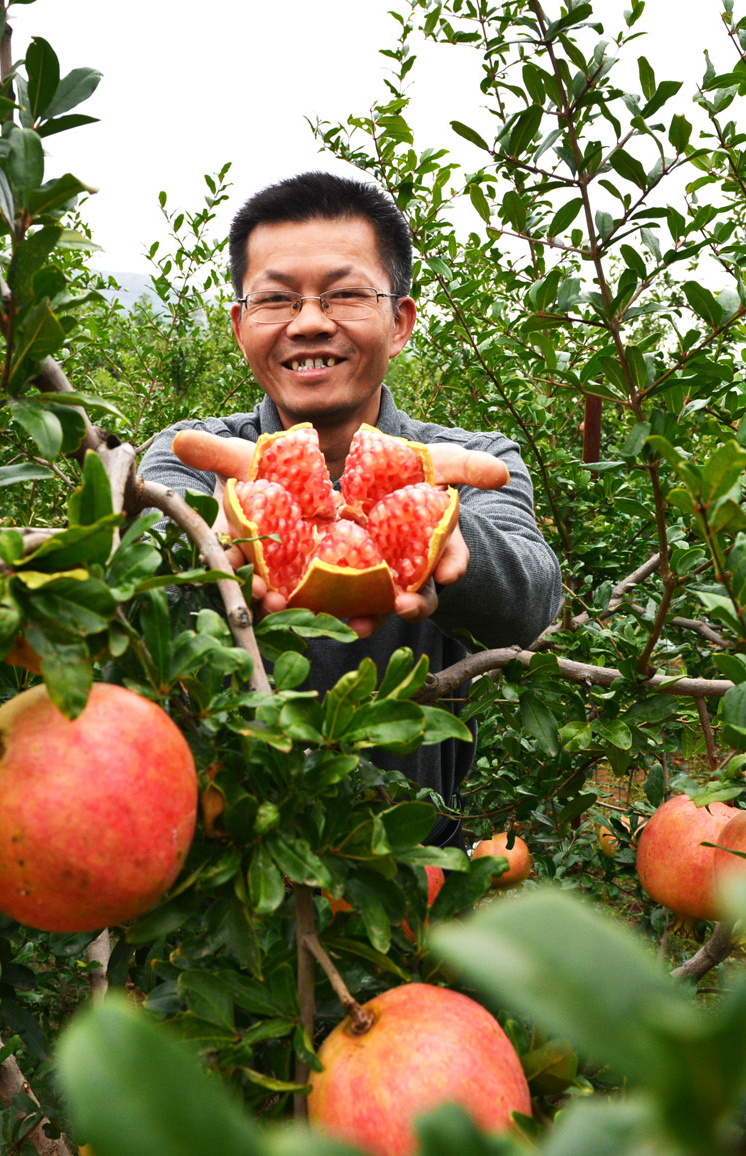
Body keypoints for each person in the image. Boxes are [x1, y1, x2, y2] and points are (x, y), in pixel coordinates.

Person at [139, 172, 562, 846]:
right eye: (276, 298)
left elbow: (534, 596)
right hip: (218, 874)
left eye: (343, 294)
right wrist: (199, 539)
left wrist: (448, 540)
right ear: (241, 324)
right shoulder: (194, 457)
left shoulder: (470, 460)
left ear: (400, 322)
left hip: (411, 875)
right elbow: (141, 576)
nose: (309, 322)